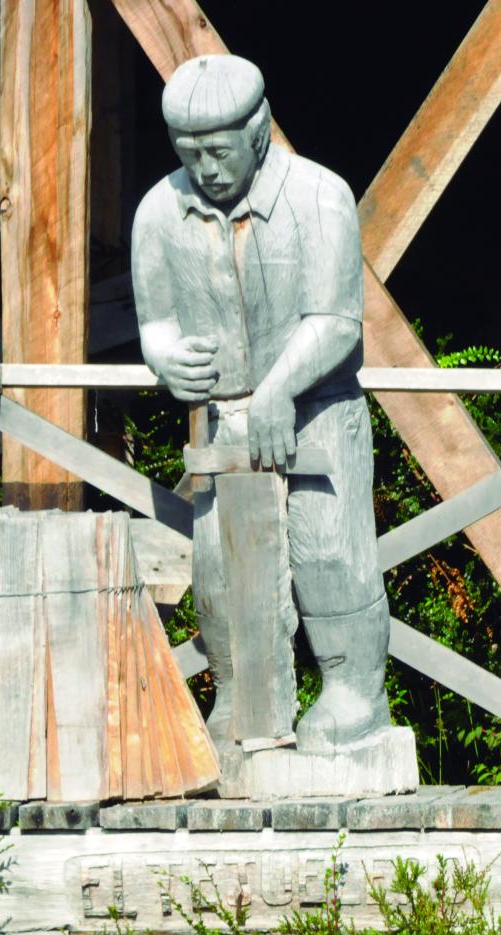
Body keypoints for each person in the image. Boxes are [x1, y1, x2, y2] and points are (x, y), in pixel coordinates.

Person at [131, 54, 390, 753]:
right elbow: (154, 322)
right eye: (191, 154)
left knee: (329, 552)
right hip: (225, 418)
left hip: (318, 403)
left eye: (219, 152)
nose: (207, 169)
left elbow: (337, 319)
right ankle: (242, 699)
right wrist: (164, 358)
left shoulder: (319, 195)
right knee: (221, 567)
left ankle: (353, 693)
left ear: (260, 130)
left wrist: (280, 388)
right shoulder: (158, 211)